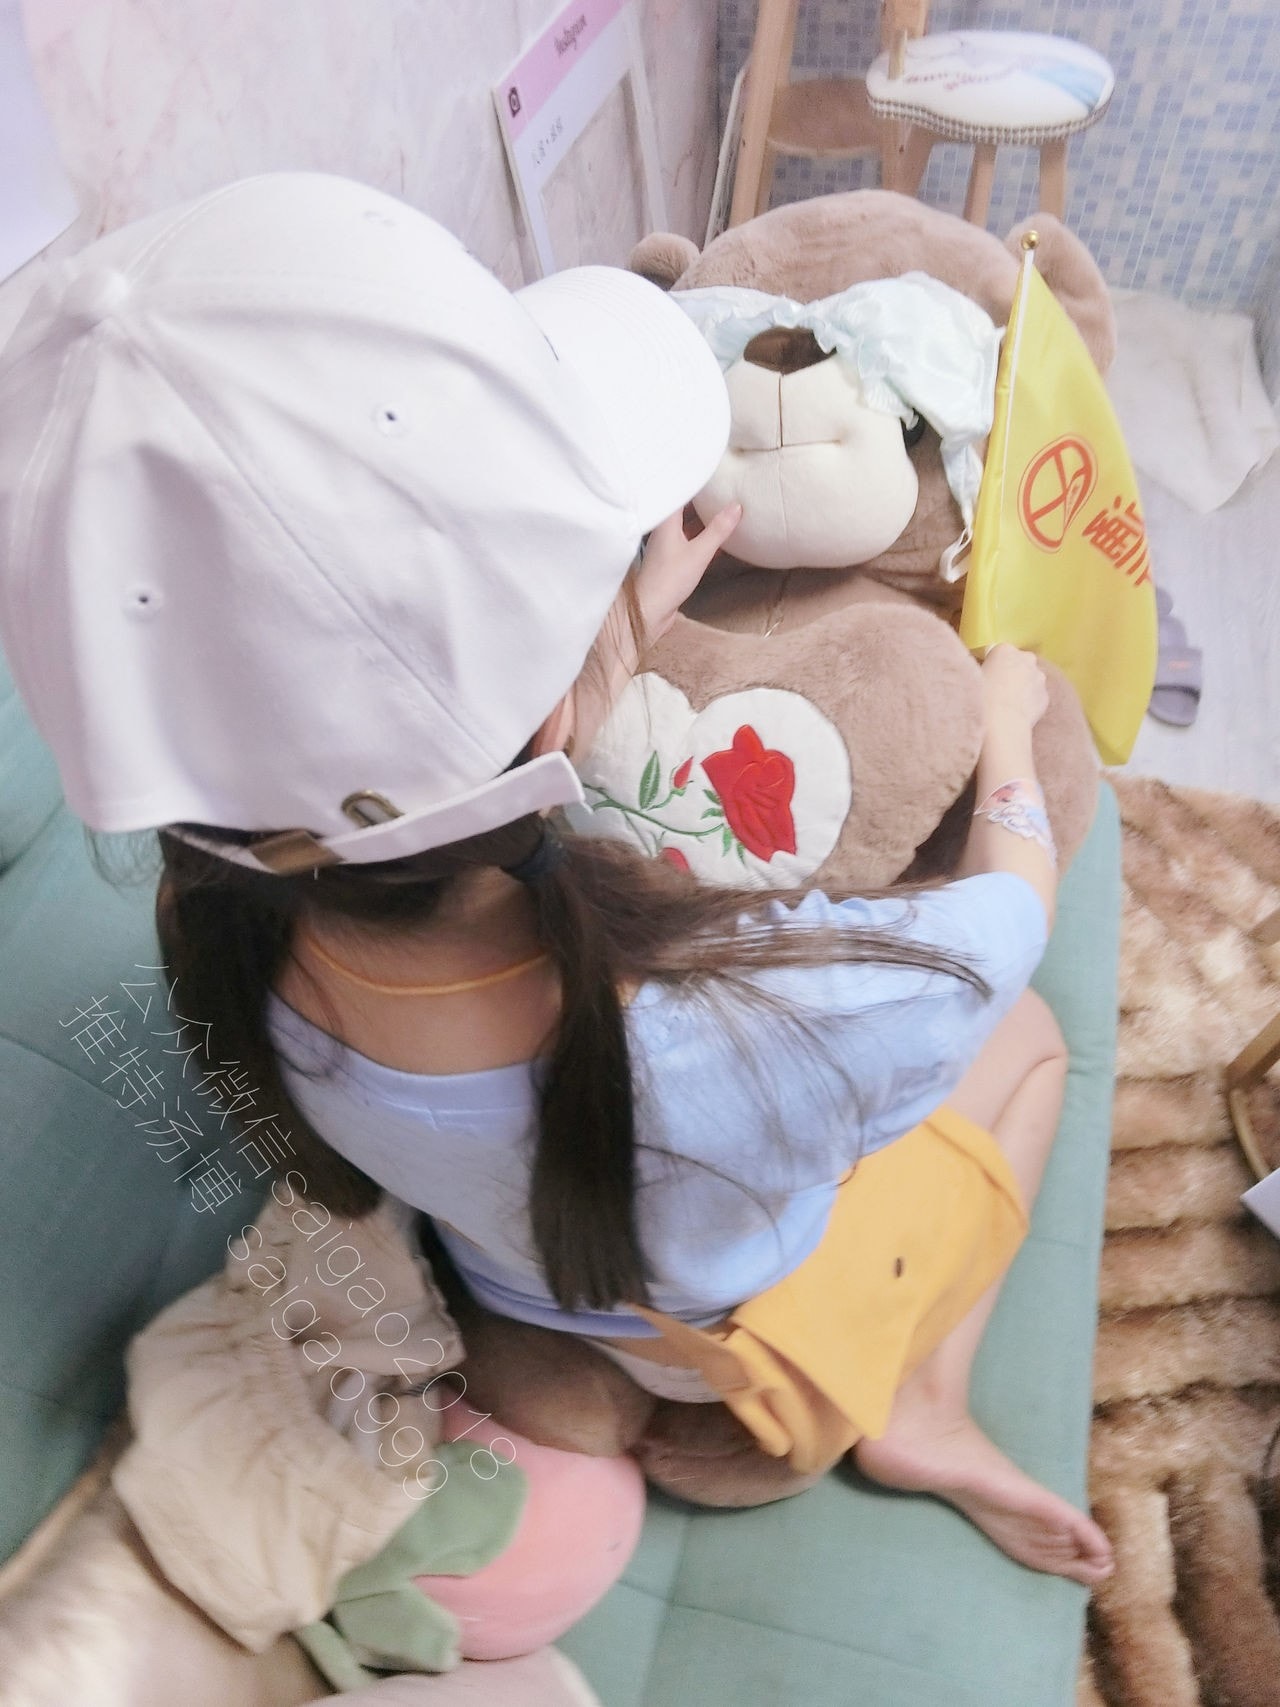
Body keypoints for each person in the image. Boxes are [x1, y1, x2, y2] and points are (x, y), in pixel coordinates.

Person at [0, 172, 1112, 1588]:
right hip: (719, 1337)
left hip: (518, 1292)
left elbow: (414, 774)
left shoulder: (213, 917)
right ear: (548, 730)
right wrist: (1008, 721)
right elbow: (1007, 916)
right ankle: (921, 1406)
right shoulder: (757, 1012)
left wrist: (621, 616)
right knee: (1032, 1041)